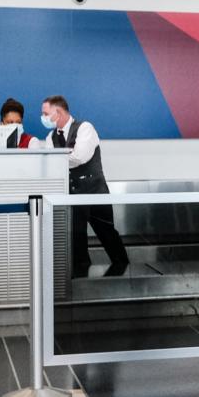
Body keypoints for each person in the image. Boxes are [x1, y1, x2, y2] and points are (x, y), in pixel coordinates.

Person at [41, 95, 129, 278]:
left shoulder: (85, 128)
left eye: (45, 113)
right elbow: (52, 163)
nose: (42, 117)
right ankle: (81, 284)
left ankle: (126, 275)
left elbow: (80, 157)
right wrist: (64, 157)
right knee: (76, 239)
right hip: (70, 197)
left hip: (95, 192)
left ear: (57, 113)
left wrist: (58, 158)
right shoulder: (50, 137)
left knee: (108, 235)